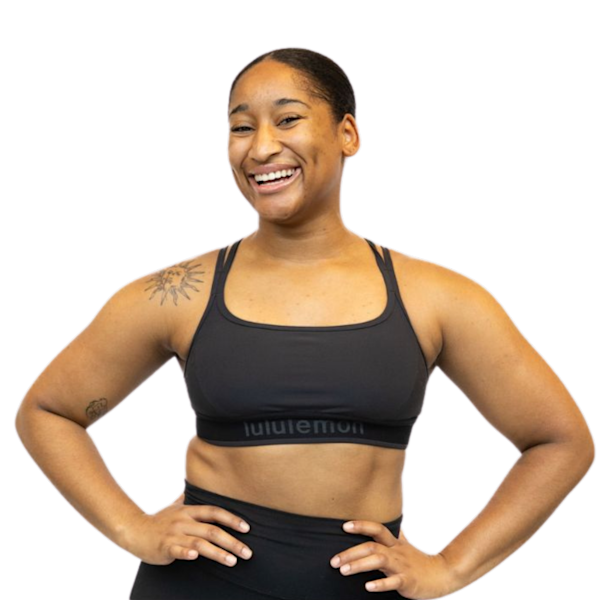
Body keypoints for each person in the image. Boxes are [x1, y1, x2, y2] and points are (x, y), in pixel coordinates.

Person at [15, 46, 595, 600]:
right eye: (242, 128)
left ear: (348, 134)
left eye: (288, 119)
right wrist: (132, 529)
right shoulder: (177, 293)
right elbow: (48, 411)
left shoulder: (438, 297)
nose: (261, 147)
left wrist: (450, 566)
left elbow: (560, 441)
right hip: (198, 590)